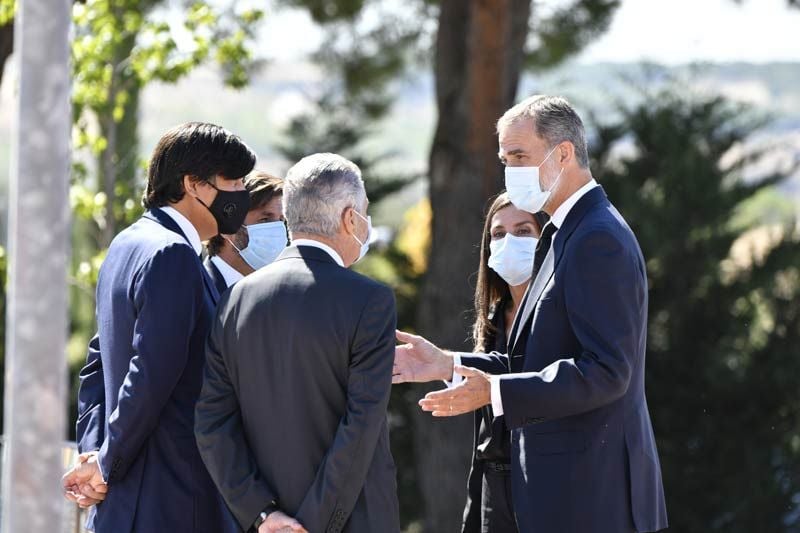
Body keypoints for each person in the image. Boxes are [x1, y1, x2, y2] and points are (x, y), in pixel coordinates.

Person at [393, 95, 668, 533]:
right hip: (562, 499)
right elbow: (535, 358)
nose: (510, 171)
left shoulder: (598, 237)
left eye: (520, 156)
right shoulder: (564, 231)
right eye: (505, 159)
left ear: (564, 153)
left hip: (593, 501)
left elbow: (608, 371)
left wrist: (496, 393)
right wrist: (448, 364)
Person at [64, 122, 256, 533]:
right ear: (194, 184)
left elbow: (97, 363)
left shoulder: (127, 243)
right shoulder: (172, 254)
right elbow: (151, 374)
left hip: (123, 503)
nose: (242, 194)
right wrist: (104, 463)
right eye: (234, 181)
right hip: (172, 503)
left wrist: (95, 451)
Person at [195, 153, 400, 533]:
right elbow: (361, 425)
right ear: (349, 218)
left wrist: (263, 515)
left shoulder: (236, 299)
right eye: (365, 213)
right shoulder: (369, 300)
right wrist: (311, 524)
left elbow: (212, 423)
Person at [462, 192, 545, 533]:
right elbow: (482, 437)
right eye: (498, 234)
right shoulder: (493, 319)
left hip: (548, 490)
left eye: (524, 230)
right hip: (495, 500)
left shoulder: (559, 315)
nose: (510, 241)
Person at [204, 170, 287, 293]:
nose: (277, 229)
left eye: (281, 220)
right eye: (264, 220)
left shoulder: (276, 293)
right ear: (227, 226)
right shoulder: (196, 290)